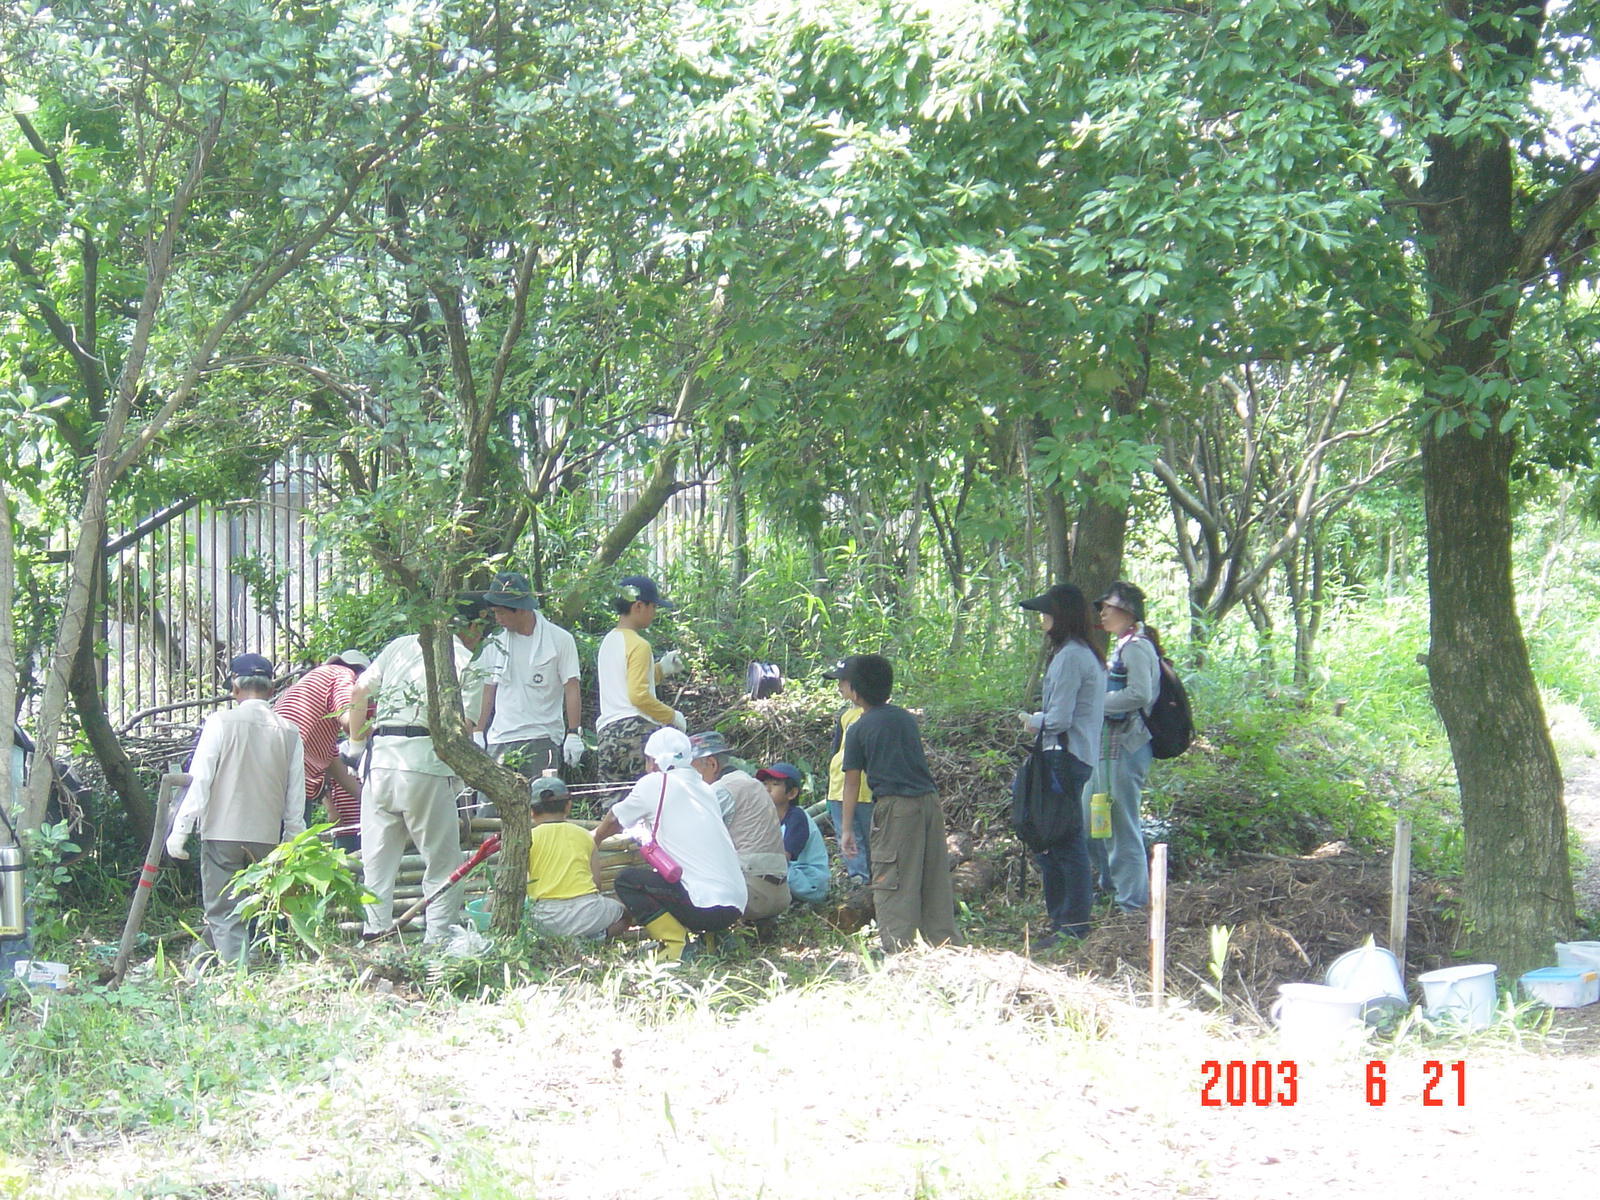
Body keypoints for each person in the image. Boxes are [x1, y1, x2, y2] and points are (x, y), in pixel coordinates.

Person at [348, 600, 489, 944]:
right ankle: (437, 940)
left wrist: (354, 744)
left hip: (379, 762)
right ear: (472, 627)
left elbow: (358, 690)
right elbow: (465, 726)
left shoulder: (399, 646)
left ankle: (374, 935)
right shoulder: (467, 663)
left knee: (377, 863)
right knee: (442, 862)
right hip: (424, 764)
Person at [166, 653, 306, 964]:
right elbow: (296, 794)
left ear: (234, 688)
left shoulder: (219, 722)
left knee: (223, 910)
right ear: (271, 690)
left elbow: (200, 779)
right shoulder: (289, 731)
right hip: (268, 837)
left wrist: (181, 829)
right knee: (251, 906)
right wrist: (294, 840)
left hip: (222, 833)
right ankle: (200, 963)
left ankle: (235, 979)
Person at [591, 727, 746, 962]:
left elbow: (615, 819)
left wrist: (592, 840)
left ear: (654, 762)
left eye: (647, 760)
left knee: (628, 881)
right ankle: (716, 939)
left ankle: (676, 946)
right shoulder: (704, 788)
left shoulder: (655, 782)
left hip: (705, 907)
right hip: (735, 906)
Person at [838, 654, 959, 953]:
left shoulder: (858, 729)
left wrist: (846, 829)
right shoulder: (905, 718)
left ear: (855, 689)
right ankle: (945, 945)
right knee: (933, 877)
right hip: (929, 803)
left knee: (892, 879)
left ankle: (898, 951)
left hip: (895, 808)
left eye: (843, 684)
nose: (841, 689)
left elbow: (851, 783)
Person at [1017, 583, 1107, 944]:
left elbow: (1060, 719)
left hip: (1064, 758)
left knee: (1063, 840)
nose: (1042, 619)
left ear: (1061, 616)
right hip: (1070, 757)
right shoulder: (1084, 654)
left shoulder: (1071, 657)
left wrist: (1033, 720)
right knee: (1053, 839)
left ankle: (1072, 926)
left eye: (1047, 612)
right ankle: (1064, 922)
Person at [1090, 580, 1159, 913]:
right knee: (1096, 817)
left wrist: (1094, 703)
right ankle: (1112, 887)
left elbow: (1140, 694)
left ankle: (1131, 904)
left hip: (1127, 746)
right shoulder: (1124, 645)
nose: (1102, 613)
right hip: (1109, 747)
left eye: (1108, 608)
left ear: (1127, 613)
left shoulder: (1136, 647)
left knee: (1122, 825)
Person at [474, 571, 584, 779]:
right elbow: (489, 687)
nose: (497, 619)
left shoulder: (559, 640)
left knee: (541, 807)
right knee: (489, 810)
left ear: (522, 610)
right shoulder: (494, 641)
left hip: (542, 737)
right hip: (500, 738)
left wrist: (573, 732)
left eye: (502, 612)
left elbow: (571, 687)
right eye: (494, 612)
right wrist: (478, 731)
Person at [272, 650, 370, 852]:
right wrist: (378, 733)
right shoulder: (342, 675)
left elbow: (332, 762)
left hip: (273, 772)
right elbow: (349, 720)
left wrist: (367, 799)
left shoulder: (311, 686)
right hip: (294, 777)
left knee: (270, 854)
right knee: (292, 856)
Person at [688, 730, 791, 924]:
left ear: (712, 764)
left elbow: (693, 837)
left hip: (752, 892)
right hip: (780, 892)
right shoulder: (751, 783)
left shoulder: (720, 791)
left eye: (692, 770)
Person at [594, 575, 685, 781]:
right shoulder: (639, 645)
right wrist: (672, 716)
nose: (654, 613)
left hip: (608, 734)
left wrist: (661, 669)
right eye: (653, 607)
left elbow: (624, 680)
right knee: (645, 800)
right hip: (635, 731)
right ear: (638, 606)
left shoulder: (609, 641)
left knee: (615, 802)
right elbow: (638, 696)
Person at [523, 775, 628, 940]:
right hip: (588, 912)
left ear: (531, 810)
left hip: (544, 917)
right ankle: (594, 939)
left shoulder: (526, 839)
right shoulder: (585, 836)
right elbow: (597, 884)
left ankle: (552, 942)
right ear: (568, 805)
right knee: (625, 914)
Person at [822, 658, 873, 886]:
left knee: (871, 841)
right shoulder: (845, 716)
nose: (839, 686)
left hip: (867, 790)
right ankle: (858, 883)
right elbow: (837, 751)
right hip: (839, 789)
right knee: (850, 840)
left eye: (843, 681)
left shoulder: (875, 716)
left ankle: (875, 882)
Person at [759, 761, 830, 905]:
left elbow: (782, 859)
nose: (767, 789)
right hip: (794, 877)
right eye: (765, 784)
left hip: (810, 882)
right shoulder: (768, 817)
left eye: (775, 784)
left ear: (792, 793)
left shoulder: (797, 817)